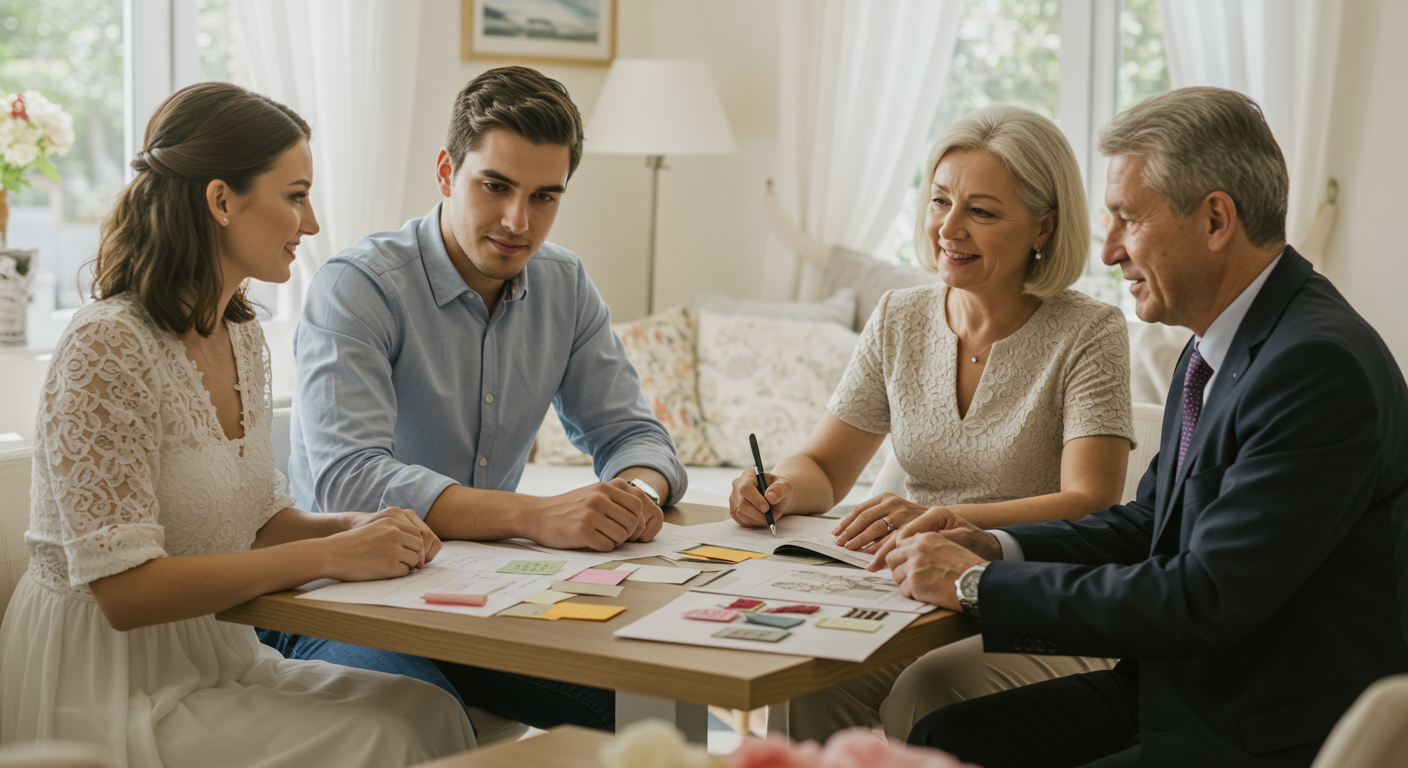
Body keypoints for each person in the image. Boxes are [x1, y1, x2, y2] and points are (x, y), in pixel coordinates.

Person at [894, 87, 1408, 767]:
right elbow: (1148, 524)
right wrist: (993, 545)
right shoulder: (1218, 344)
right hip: (1183, 690)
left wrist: (974, 586)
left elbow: (1201, 596)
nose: (1107, 251)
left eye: (1126, 219)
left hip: (1259, 731)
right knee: (944, 740)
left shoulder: (1314, 366)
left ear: (1216, 219)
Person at [0, 82, 475, 766]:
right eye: (296, 194)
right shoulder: (107, 345)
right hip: (106, 680)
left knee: (429, 708)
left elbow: (252, 520)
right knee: (382, 739)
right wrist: (328, 555)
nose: (310, 225)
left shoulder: (241, 335)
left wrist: (357, 529)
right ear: (222, 200)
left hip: (213, 651)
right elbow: (123, 591)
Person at [264, 66, 686, 732]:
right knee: (420, 721)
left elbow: (632, 434)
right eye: (496, 186)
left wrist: (638, 496)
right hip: (350, 597)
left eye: (545, 197)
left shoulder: (564, 284)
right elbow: (348, 480)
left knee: (665, 705)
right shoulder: (359, 287)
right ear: (445, 172)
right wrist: (537, 515)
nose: (519, 221)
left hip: (495, 597)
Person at [729, 105, 1135, 742]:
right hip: (910, 589)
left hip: (1034, 594)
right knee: (809, 675)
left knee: (929, 691)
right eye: (940, 200)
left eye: (981, 211)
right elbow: (827, 467)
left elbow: (1092, 501)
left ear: (1044, 226)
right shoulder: (899, 317)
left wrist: (944, 522)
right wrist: (777, 485)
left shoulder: (1090, 331)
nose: (949, 227)